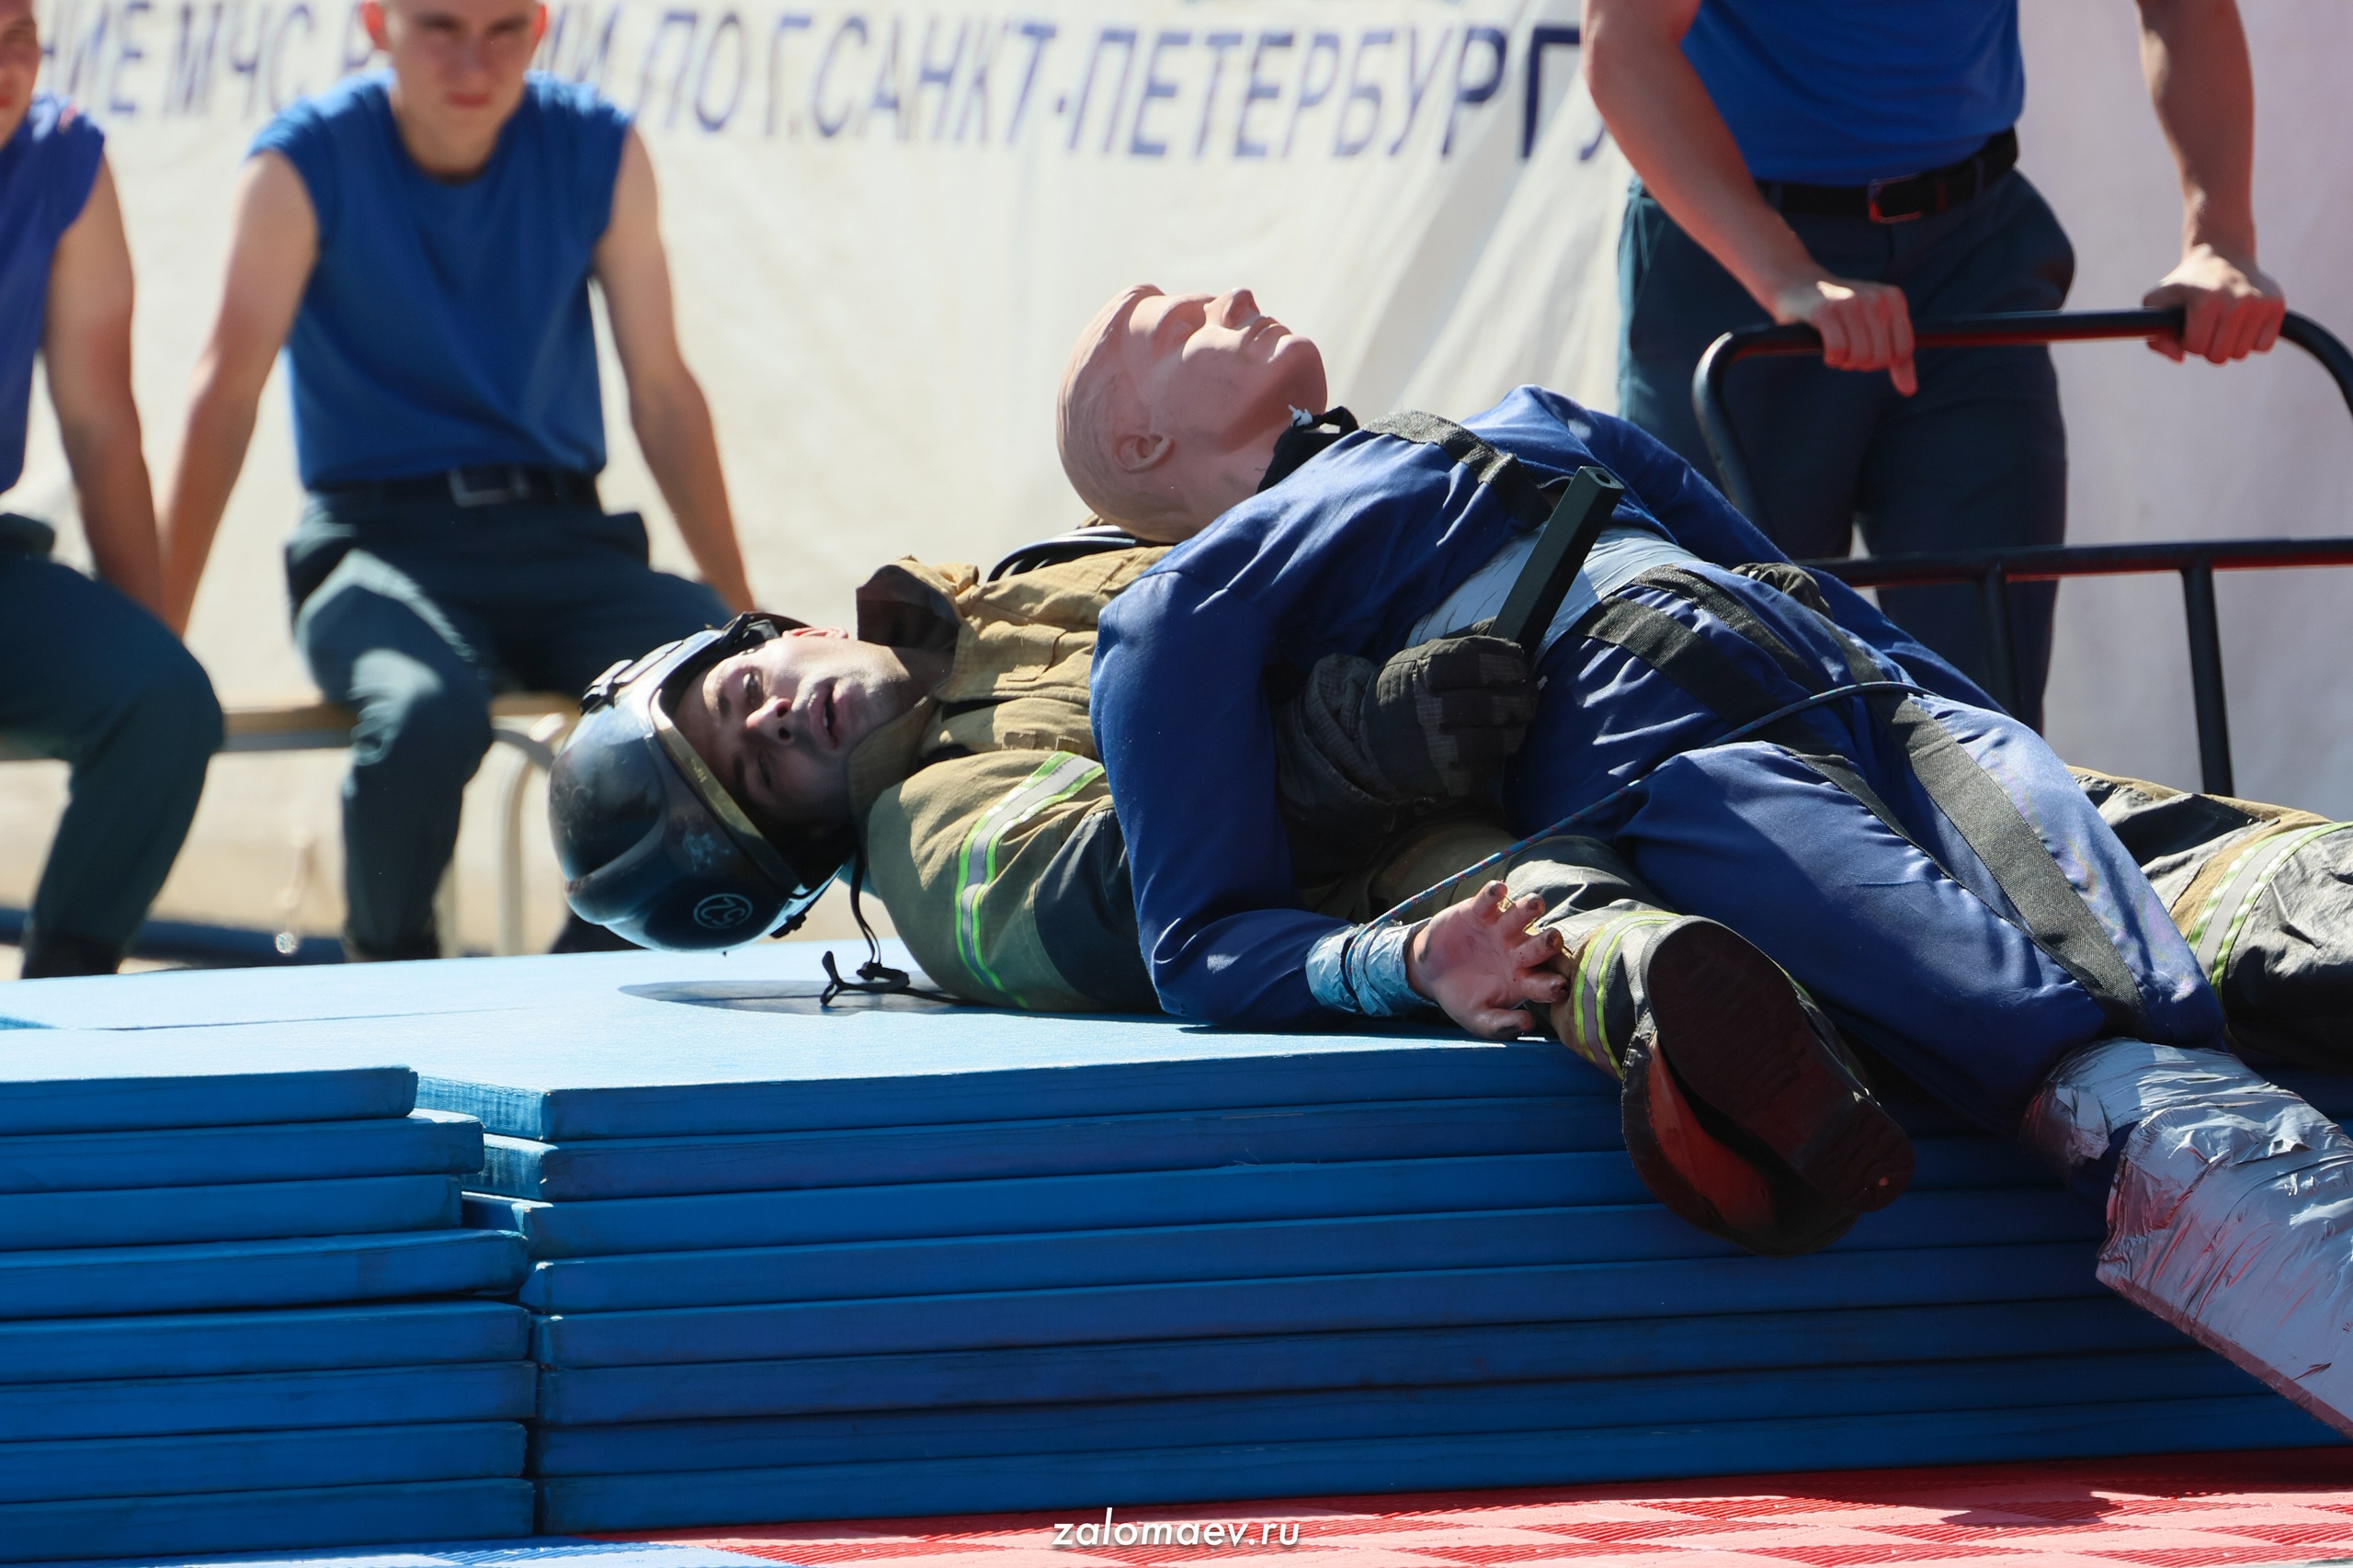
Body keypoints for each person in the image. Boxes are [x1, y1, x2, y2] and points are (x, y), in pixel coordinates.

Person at [1067, 282, 2353, 1438]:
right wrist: (1406, 961)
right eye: (1171, 324)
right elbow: (1201, 943)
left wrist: (1982, 728)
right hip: (1682, 760)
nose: (1228, 293)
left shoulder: (1539, 415)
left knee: (2157, 954)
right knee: (2055, 1033)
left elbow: (1799, 584)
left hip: (1883, 704)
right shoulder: (1181, 605)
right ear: (1137, 445)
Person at [158, 0, 753, 960]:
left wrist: (739, 611)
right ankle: (385, 996)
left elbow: (663, 392)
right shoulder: (300, 163)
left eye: (505, 28)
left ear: (543, 27)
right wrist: (162, 639)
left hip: (567, 543)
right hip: (373, 548)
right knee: (427, 712)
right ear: (373, 22)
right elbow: (222, 398)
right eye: (440, 25)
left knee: (715, 687)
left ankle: (583, 988)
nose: (473, 58)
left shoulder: (597, 147)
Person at [1584, 0, 2289, 730]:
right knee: (1721, 693)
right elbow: (1623, 42)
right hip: (1729, 263)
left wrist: (2222, 237)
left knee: (1988, 711)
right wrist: (1784, 272)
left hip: (1974, 253)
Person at [0, 0, 222, 979]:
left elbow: (99, 425)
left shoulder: (62, 157)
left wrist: (151, 646)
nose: (6, 63)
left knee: (164, 701)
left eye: (19, 32)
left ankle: (67, 1009)